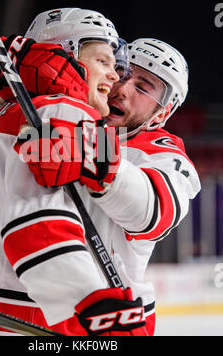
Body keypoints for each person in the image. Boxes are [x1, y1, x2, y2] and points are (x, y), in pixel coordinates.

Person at [0, 8, 147, 336]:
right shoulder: (59, 107)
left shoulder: (14, 109)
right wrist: (93, 300)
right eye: (103, 61)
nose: (115, 76)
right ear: (65, 54)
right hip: (27, 315)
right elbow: (35, 222)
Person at [18, 35, 201, 336]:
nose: (123, 89)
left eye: (143, 87)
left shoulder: (164, 154)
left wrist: (94, 154)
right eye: (123, 72)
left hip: (110, 319)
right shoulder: (65, 115)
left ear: (163, 113)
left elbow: (154, 212)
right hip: (28, 307)